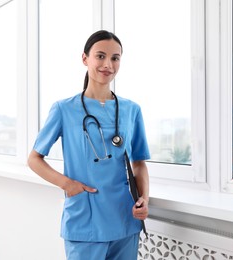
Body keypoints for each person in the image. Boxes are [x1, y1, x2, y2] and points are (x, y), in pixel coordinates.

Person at [28, 30, 150, 260]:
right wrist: (67, 184)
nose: (108, 64)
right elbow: (34, 159)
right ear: (85, 59)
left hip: (125, 217)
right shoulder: (64, 109)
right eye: (100, 56)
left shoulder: (131, 110)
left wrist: (145, 198)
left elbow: (139, 162)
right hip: (85, 217)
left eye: (115, 58)